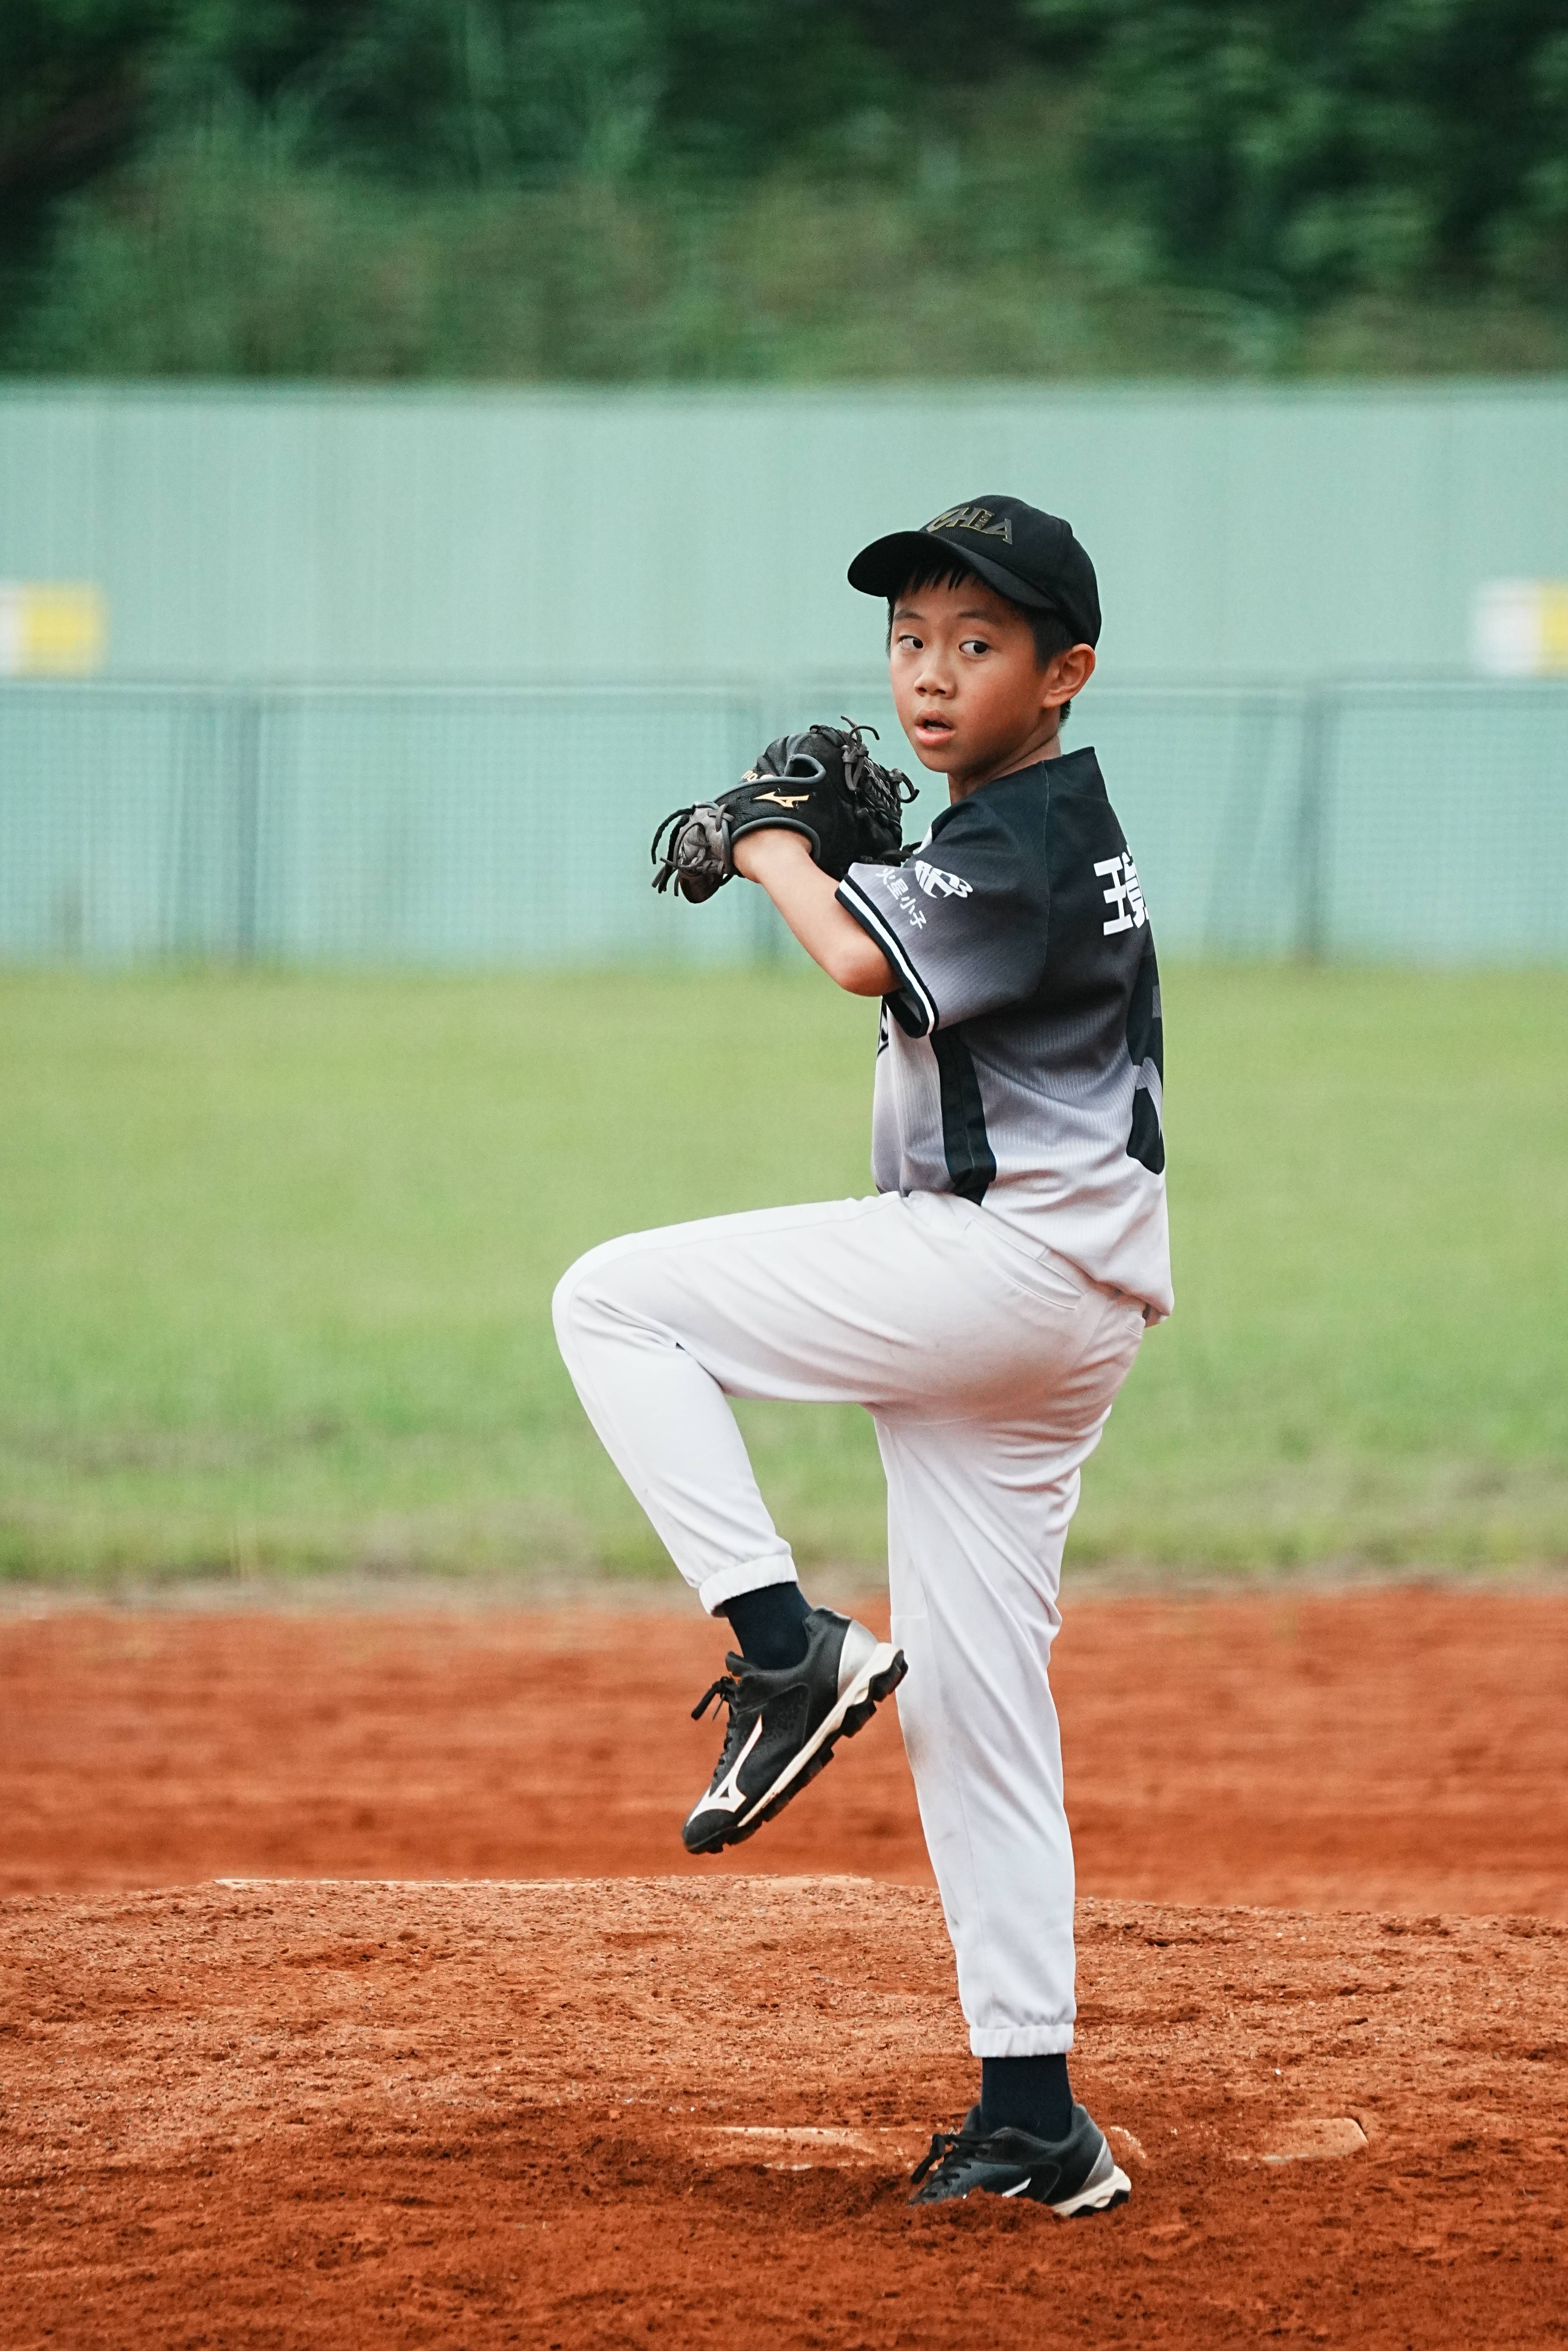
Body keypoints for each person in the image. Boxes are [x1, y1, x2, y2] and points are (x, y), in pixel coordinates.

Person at [553, 494, 1170, 2214]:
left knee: (612, 1302)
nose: (930, 675)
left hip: (999, 1267)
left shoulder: (1024, 838)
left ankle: (785, 1649)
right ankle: (1035, 2118)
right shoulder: (1043, 827)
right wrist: (827, 856)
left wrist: (769, 841)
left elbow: (846, 956)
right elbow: (904, 940)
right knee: (977, 1710)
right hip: (1064, 1311)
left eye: (979, 643)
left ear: (1065, 673)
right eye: (910, 640)